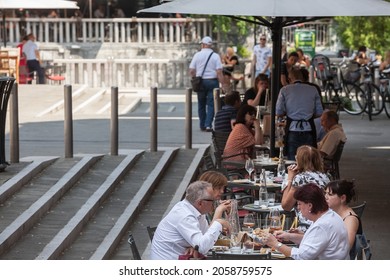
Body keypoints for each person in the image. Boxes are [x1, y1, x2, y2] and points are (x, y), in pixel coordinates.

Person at [264, 183, 350, 260]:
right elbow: (314, 243)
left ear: (310, 206)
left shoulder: (322, 226)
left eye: (299, 204)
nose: (298, 208)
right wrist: (289, 236)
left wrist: (276, 244)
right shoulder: (330, 215)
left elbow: (302, 256)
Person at [150, 181, 230, 260]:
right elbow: (203, 247)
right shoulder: (184, 215)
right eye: (212, 200)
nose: (214, 203)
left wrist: (194, 246)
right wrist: (218, 223)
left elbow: (204, 238)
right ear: (200, 203)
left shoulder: (197, 211)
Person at [276, 68, 323, 160]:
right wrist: (307, 116)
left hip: (292, 129)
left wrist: (288, 113)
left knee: (292, 162)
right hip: (309, 128)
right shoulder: (313, 89)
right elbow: (319, 112)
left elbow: (278, 112)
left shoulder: (285, 90)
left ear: (289, 79)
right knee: (308, 160)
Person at [281, 145, 330, 230]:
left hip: (307, 226)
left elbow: (286, 206)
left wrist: (289, 178)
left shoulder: (300, 178)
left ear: (298, 160)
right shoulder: (326, 177)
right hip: (325, 222)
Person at [189, 36, 224, 132]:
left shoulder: (197, 55)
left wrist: (195, 78)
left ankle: (202, 124)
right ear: (210, 45)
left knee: (201, 104)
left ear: (203, 45)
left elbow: (192, 70)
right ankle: (208, 124)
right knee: (211, 104)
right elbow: (219, 71)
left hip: (201, 82)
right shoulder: (216, 56)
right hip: (213, 81)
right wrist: (223, 84)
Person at [325, 180, 363, 259]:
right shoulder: (333, 213)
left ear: (342, 198)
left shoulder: (350, 219)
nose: (325, 197)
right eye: (325, 193)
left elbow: (346, 247)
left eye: (330, 194)